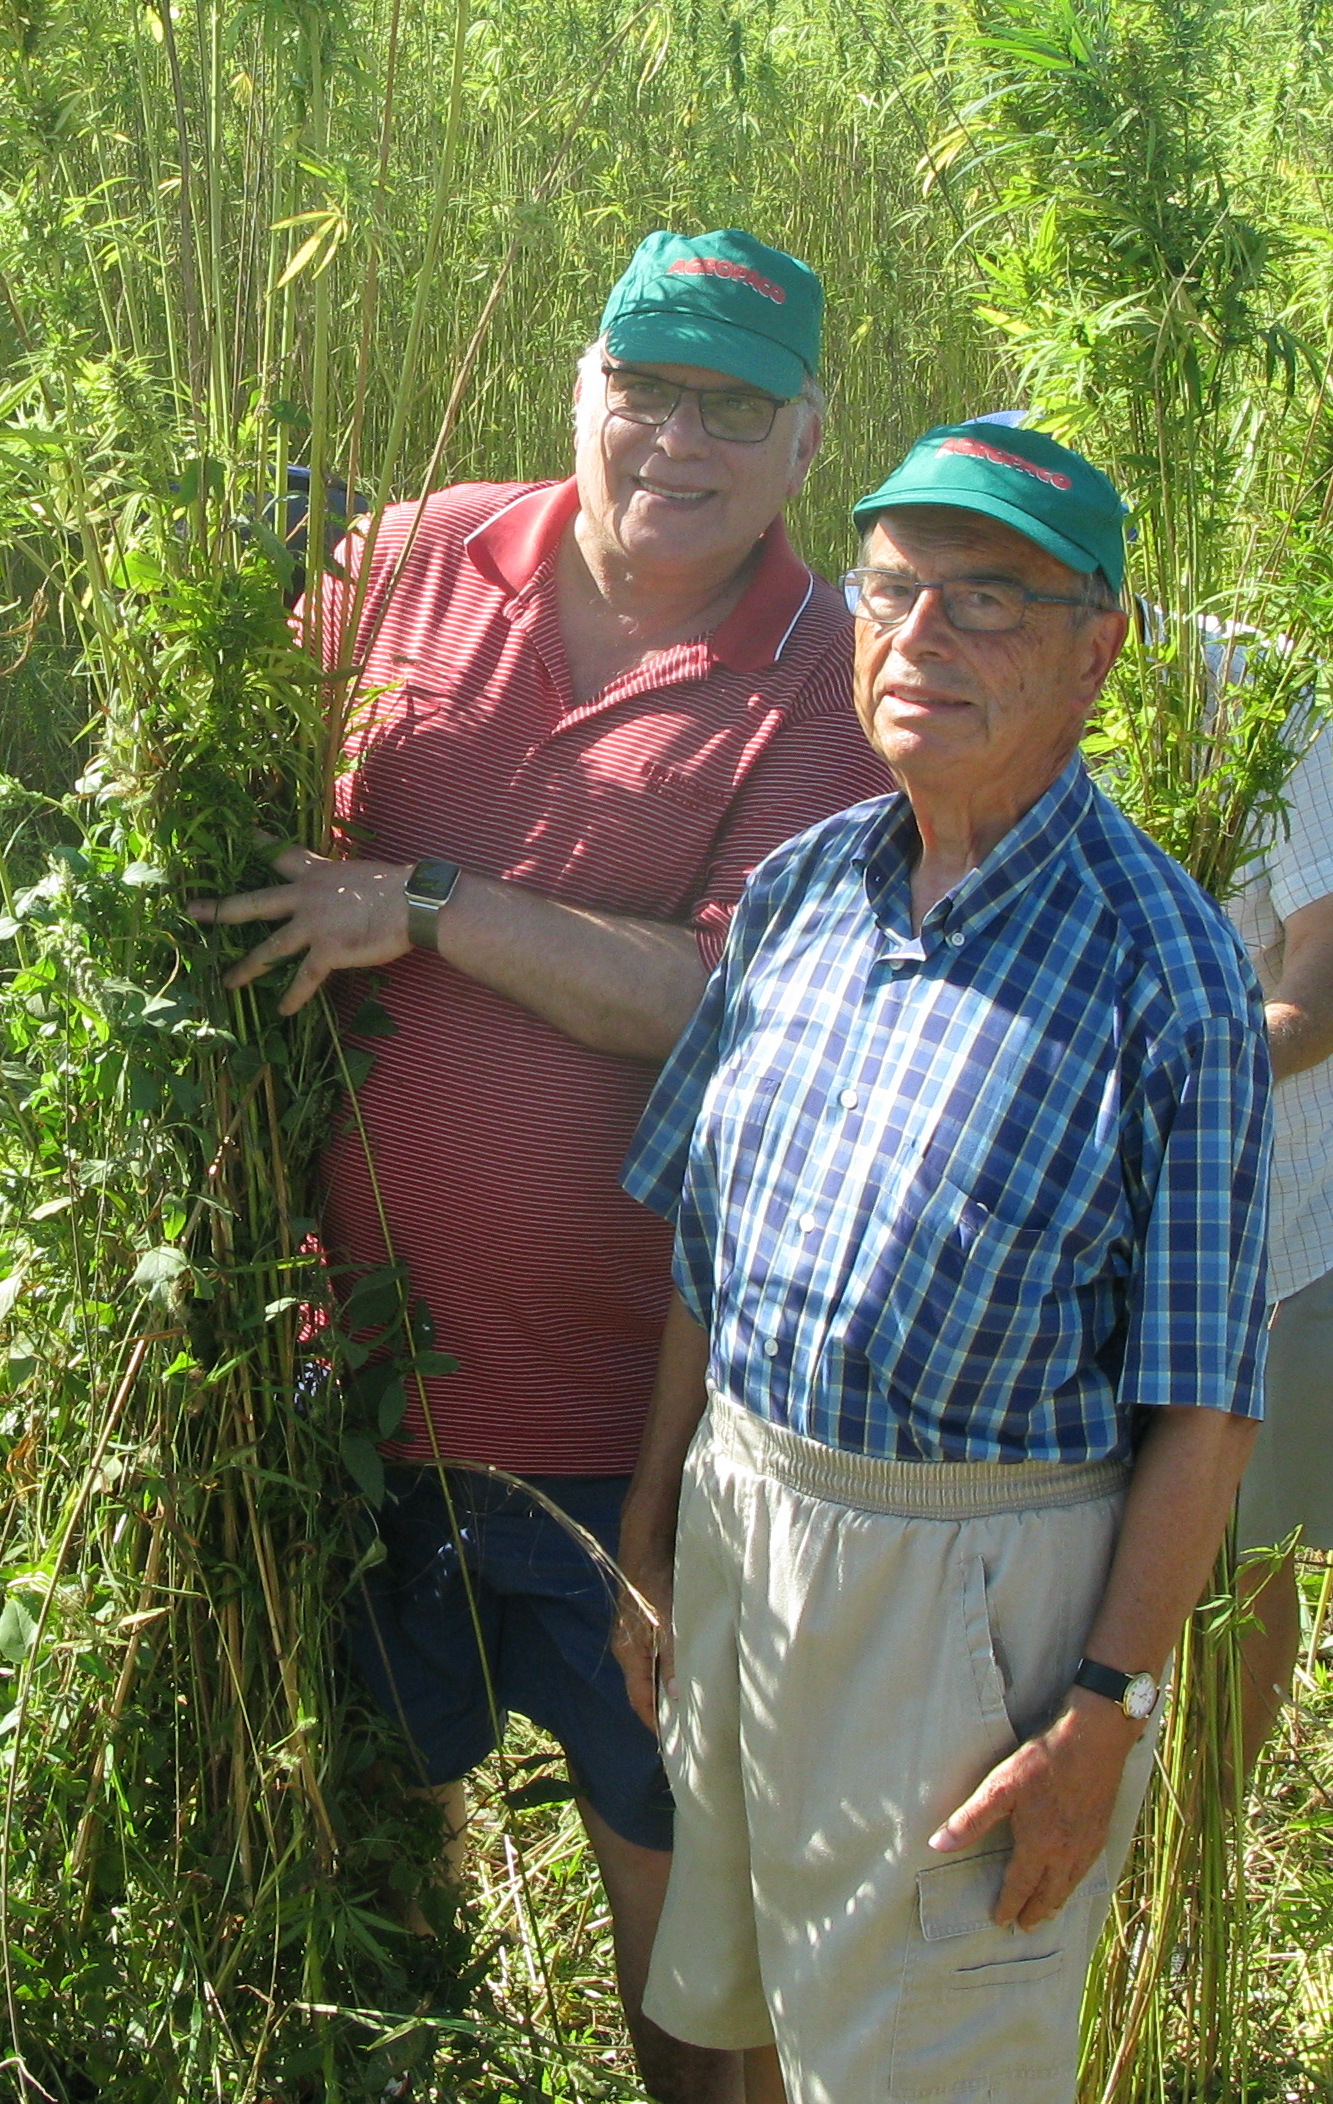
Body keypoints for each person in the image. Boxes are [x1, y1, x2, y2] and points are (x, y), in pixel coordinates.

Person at [184, 229, 892, 2103]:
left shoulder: (823, 668)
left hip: (635, 1424)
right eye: (646, 383)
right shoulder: (416, 553)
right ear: (582, 382)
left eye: (732, 402)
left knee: (672, 1900)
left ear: (806, 435)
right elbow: (225, 780)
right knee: (375, 1847)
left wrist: (423, 904)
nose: (678, 434)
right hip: (349, 1382)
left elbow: (731, 997)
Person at [611, 420, 1272, 2103]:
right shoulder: (804, 892)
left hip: (970, 1608)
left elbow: (1204, 1407)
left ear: (1098, 648)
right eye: (894, 591)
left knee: (931, 2064)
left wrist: (1104, 1711)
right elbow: (709, 1237)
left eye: (991, 603)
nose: (922, 637)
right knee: (739, 2006)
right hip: (748, 1532)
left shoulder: (1166, 971)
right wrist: (653, 1523)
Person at [1216, 656, 1333, 1766]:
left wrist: (1210, 1068)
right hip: (1096, 1209)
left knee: (1246, 1543)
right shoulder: (949, 676)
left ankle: (1197, 1860)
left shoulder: (1273, 691)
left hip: (1294, 1195)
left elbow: (1331, 961)